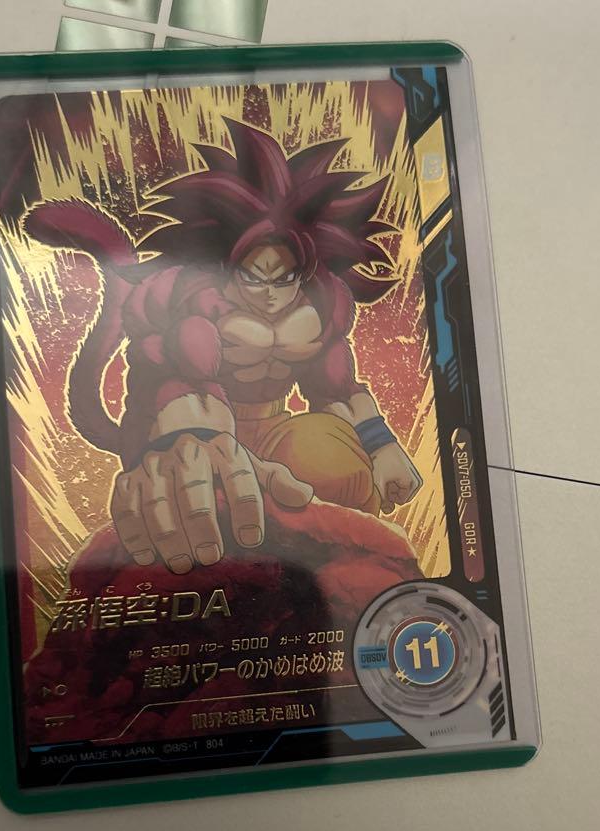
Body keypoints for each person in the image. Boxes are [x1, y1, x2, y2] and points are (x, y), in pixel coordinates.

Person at [23, 118, 422, 574]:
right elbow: (168, 375)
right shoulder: (191, 299)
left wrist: (382, 446)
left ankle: (333, 562)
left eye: (285, 277)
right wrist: (184, 437)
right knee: (207, 495)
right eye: (253, 275)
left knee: (329, 461)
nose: (269, 293)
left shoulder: (322, 306)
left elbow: (337, 387)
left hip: (273, 432)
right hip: (185, 427)